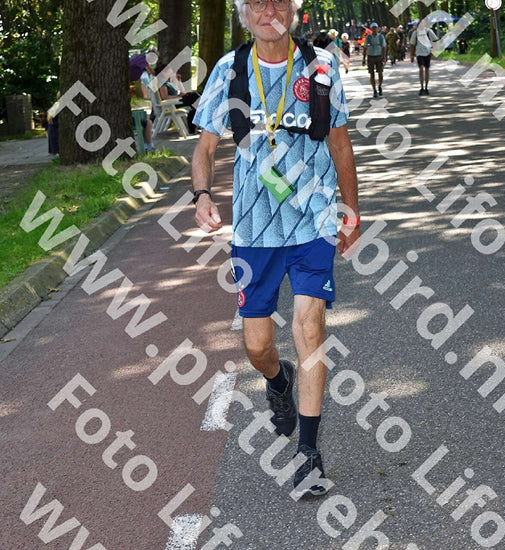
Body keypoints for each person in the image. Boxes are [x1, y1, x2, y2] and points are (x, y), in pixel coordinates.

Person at [191, 0, 360, 498]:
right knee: (257, 347)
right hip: (253, 231)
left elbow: (340, 144)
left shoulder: (321, 67)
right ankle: (278, 380)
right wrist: (202, 195)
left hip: (313, 223)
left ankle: (309, 454)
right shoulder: (229, 69)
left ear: (294, 9)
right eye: (258, 3)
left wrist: (351, 210)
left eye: (280, 0)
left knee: (310, 327)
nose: (270, 10)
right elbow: (205, 148)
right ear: (243, 15)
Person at [155, 63, 201, 134]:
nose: (172, 73)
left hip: (177, 101)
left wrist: (179, 81)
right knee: (196, 97)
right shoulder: (163, 83)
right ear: (163, 73)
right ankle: (193, 126)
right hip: (172, 104)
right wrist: (179, 96)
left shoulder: (170, 82)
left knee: (197, 101)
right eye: (170, 72)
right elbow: (165, 97)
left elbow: (183, 92)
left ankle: (193, 127)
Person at [410, 24, 438, 95]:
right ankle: (422, 87)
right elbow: (412, 44)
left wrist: (433, 51)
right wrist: (412, 55)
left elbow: (436, 41)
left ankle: (426, 87)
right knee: (421, 68)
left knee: (427, 69)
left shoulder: (428, 31)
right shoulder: (415, 33)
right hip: (419, 53)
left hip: (427, 53)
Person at [365, 22, 386, 97]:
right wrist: (364, 58)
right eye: (373, 28)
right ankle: (374, 89)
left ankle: (380, 86)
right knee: (372, 73)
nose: (374, 29)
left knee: (380, 72)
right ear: (371, 29)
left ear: (377, 28)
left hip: (379, 56)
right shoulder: (368, 37)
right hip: (370, 56)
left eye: (375, 27)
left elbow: (384, 47)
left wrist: (384, 57)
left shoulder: (381, 37)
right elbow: (365, 47)